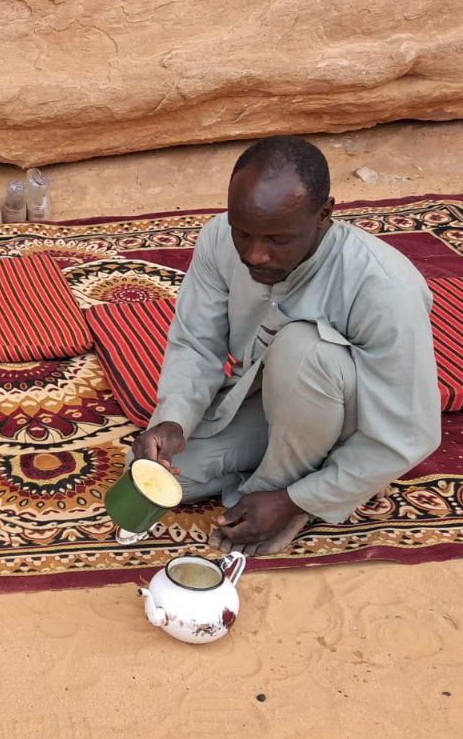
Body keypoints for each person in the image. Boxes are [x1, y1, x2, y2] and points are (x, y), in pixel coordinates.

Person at [131, 136, 440, 555]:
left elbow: (408, 435)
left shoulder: (385, 287)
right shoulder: (218, 238)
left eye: (277, 240)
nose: (255, 255)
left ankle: (289, 494)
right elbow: (196, 343)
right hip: (261, 398)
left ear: (324, 214)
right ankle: (282, 478)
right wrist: (174, 419)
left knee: (304, 348)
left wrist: (294, 500)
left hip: (346, 423)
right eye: (243, 233)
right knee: (160, 475)